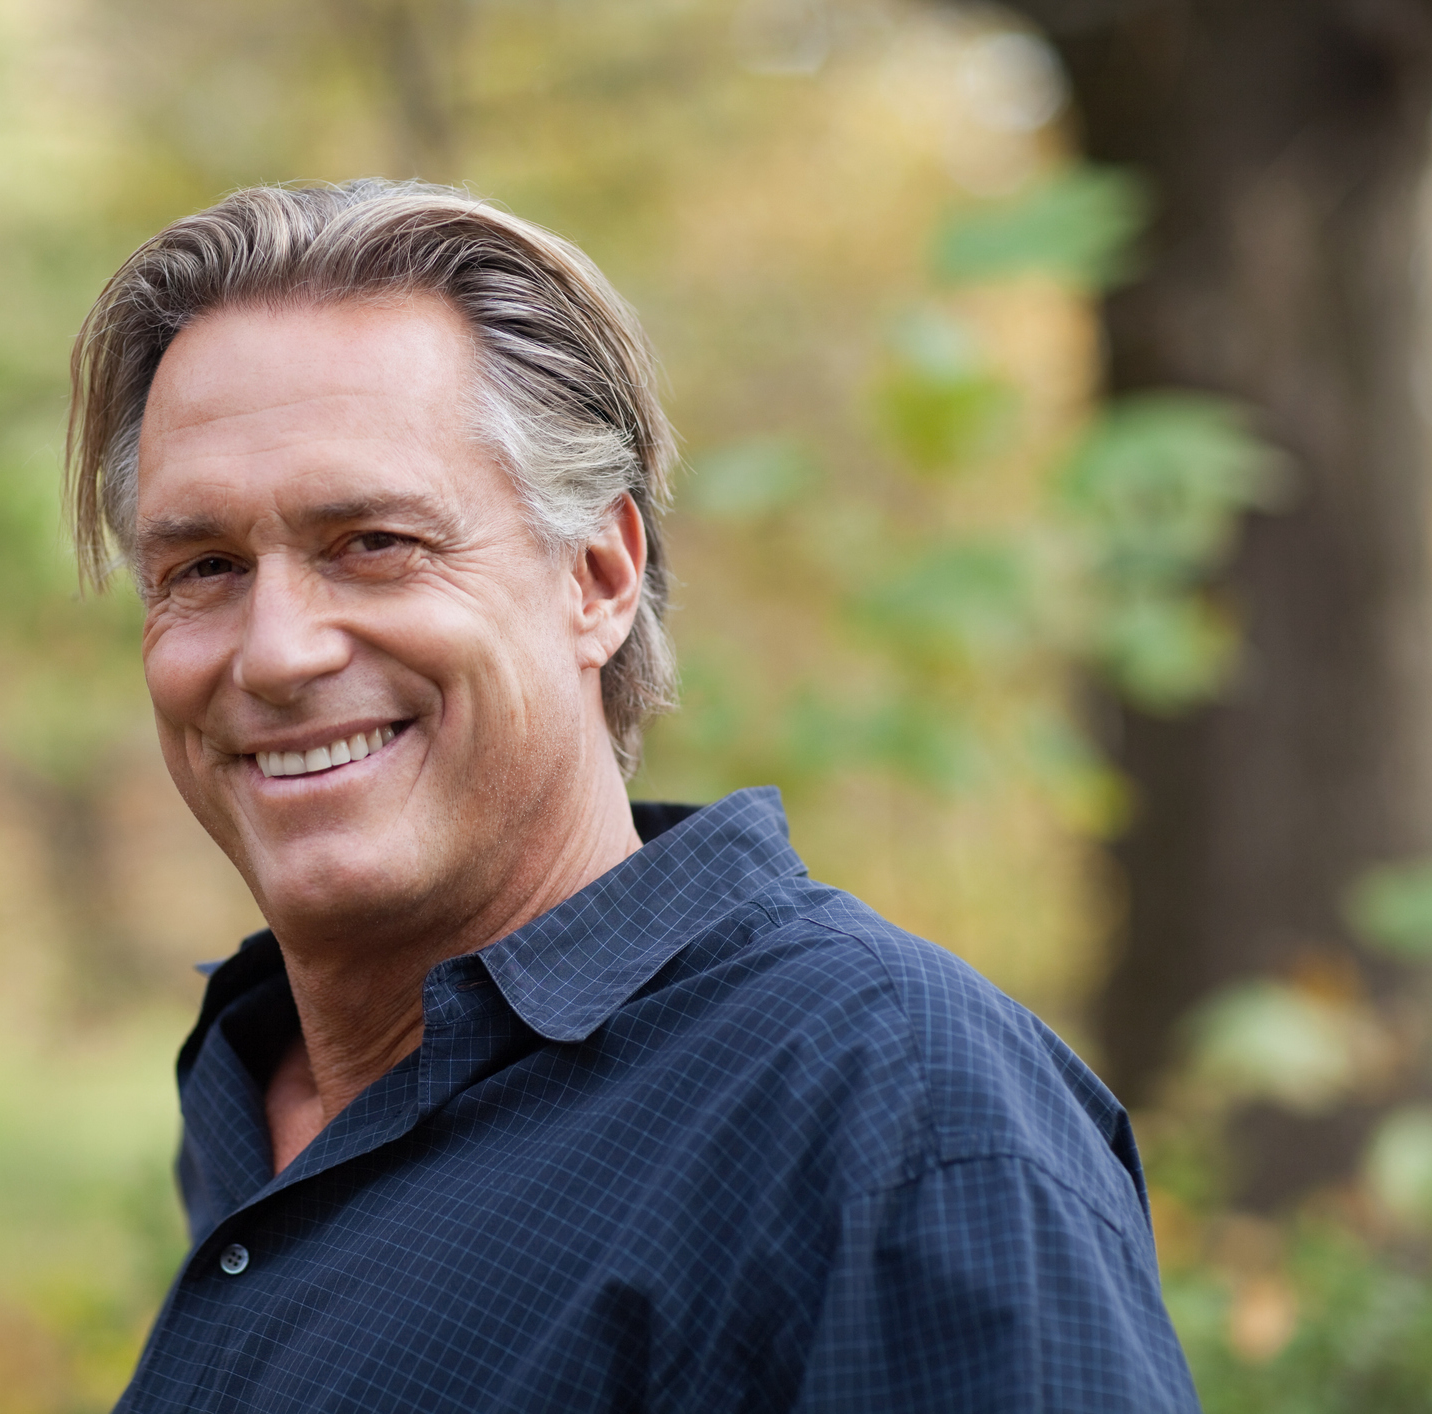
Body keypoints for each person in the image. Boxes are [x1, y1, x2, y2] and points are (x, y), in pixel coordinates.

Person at [65, 178, 1199, 1412]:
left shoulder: (888, 1107)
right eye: (206, 567)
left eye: (374, 543)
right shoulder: (261, 1089)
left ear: (597, 577)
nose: (278, 650)